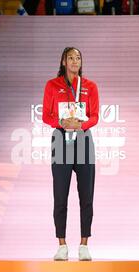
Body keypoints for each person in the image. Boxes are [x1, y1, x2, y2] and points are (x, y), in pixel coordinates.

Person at [42, 47, 99, 261]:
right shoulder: (52, 85)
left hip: (84, 139)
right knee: (60, 196)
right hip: (60, 139)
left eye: (78, 58)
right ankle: (62, 244)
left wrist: (81, 124)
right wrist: (61, 122)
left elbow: (95, 116)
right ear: (64, 62)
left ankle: (84, 244)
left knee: (86, 196)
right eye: (71, 58)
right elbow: (46, 116)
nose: (75, 61)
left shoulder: (90, 86)